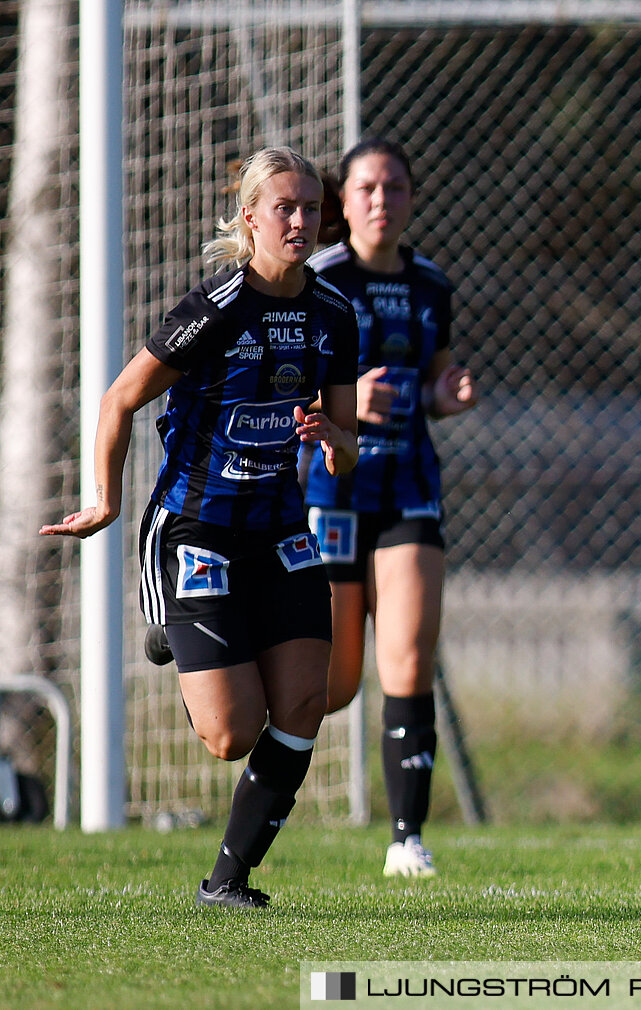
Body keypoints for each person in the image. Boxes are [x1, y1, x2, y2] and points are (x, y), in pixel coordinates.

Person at [42, 147, 359, 909]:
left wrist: (333, 440)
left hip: (281, 527)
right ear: (250, 220)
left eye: (310, 208)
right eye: (284, 207)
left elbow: (347, 453)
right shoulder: (214, 310)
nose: (299, 220)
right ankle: (172, 631)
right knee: (230, 735)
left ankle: (228, 880)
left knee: (307, 704)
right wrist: (108, 501)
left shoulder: (334, 314)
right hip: (197, 529)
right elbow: (120, 400)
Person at [305, 138, 477, 879]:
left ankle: (407, 839)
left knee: (407, 657)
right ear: (343, 203)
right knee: (335, 684)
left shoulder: (431, 285)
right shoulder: (316, 280)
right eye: (368, 188)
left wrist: (446, 395)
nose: (382, 201)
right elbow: (279, 386)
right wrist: (336, 402)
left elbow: (437, 377)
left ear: (411, 200)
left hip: (408, 489)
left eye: (396, 188)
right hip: (330, 490)